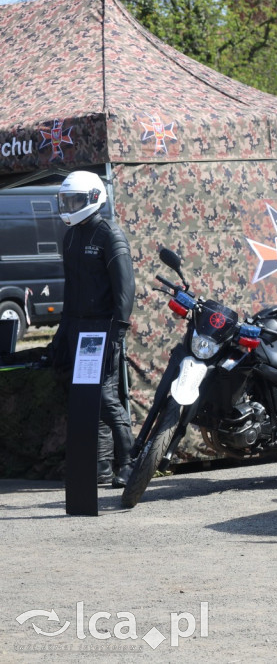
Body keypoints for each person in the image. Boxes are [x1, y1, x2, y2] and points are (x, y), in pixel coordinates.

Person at [52, 171, 136, 488]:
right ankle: (99, 467)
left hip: (104, 328)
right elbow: (71, 291)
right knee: (87, 398)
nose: (70, 206)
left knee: (105, 395)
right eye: (66, 200)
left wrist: (117, 333)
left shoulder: (109, 235)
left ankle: (129, 462)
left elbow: (125, 292)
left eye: (75, 200)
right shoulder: (71, 237)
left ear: (93, 198)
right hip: (79, 329)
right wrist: (61, 335)